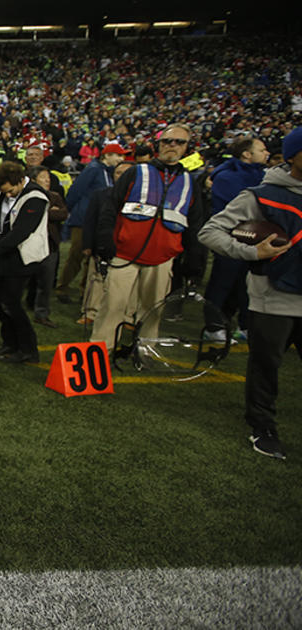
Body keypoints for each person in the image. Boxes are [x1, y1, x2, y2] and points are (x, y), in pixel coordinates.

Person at [198, 127, 300, 460]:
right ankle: (262, 426)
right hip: (275, 297)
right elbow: (211, 232)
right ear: (293, 155)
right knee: (265, 366)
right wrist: (253, 254)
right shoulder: (262, 194)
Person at [90, 124, 206, 349]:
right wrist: (105, 240)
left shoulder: (191, 182)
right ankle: (100, 350)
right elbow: (111, 207)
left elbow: (195, 224)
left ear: (186, 148)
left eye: (179, 142)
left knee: (153, 308)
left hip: (163, 257)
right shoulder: (136, 171)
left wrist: (195, 256)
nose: (172, 146)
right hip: (124, 253)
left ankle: (144, 350)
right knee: (113, 305)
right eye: (167, 141)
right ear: (158, 145)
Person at [0, 161, 49, 364]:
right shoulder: (5, 193)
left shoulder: (36, 197)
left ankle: (28, 349)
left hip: (23, 258)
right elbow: (2, 226)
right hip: (6, 255)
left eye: (10, 191)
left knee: (11, 303)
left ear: (19, 180)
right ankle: (9, 343)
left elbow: (19, 234)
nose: (7, 195)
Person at [203, 135, 268, 341]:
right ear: (247, 154)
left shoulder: (263, 175)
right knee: (223, 282)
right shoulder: (227, 177)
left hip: (255, 240)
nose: (266, 153)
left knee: (246, 284)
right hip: (230, 238)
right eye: (262, 150)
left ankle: (243, 324)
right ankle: (213, 327)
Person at [59, 143, 126, 303]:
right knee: (77, 254)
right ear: (107, 156)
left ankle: (85, 291)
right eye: (118, 155)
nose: (121, 159)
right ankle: (62, 288)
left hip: (98, 221)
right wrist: (66, 210)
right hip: (83, 219)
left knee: (92, 258)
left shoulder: (108, 173)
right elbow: (76, 190)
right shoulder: (94, 169)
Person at [26, 165, 68, 328]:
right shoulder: (28, 195)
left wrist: (46, 212)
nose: (47, 180)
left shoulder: (55, 195)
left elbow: (63, 213)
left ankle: (41, 313)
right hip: (31, 243)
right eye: (44, 177)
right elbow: (31, 213)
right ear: (35, 180)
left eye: (48, 177)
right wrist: (49, 211)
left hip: (50, 244)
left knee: (46, 280)